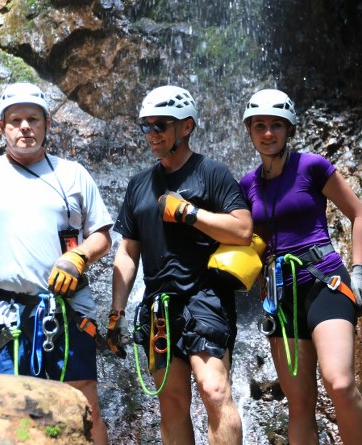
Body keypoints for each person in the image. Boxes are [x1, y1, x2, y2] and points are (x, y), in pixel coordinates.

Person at [0, 82, 113, 445]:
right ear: (2, 127)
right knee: (10, 404)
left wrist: (79, 256)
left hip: (66, 308)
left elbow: (103, 236)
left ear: (47, 124)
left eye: (33, 118)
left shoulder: (72, 174)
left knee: (82, 397)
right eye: (15, 120)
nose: (25, 127)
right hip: (4, 312)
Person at [106, 85, 253, 445]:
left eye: (160, 125)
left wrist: (189, 213)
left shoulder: (212, 173)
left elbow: (243, 229)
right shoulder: (139, 185)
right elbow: (127, 252)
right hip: (158, 304)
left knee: (215, 389)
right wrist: (116, 311)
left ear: (185, 127)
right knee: (171, 403)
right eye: (146, 126)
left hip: (206, 297)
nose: (151, 134)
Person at [238, 89, 362, 445]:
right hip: (281, 297)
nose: (268, 133)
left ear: (289, 130)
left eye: (276, 126)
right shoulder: (247, 186)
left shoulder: (312, 166)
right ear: (250, 130)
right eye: (260, 126)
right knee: (299, 404)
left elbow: (358, 214)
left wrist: (358, 271)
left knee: (340, 383)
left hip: (323, 281)